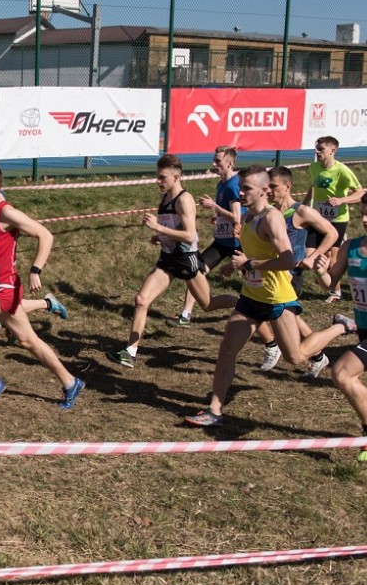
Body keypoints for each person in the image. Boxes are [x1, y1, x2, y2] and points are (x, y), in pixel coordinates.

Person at [184, 165, 356, 428]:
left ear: (264, 190)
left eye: (246, 189)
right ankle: (214, 411)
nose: (240, 192)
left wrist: (251, 263)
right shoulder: (249, 217)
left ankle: (339, 327)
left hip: (278, 297)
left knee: (296, 357)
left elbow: (287, 259)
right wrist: (235, 264)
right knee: (227, 350)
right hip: (252, 296)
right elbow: (253, 251)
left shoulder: (271, 217)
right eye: (240, 187)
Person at [0, 157, 85, 411]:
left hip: (4, 290)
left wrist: (36, 269)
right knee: (28, 341)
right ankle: (70, 381)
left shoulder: (6, 213)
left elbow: (45, 235)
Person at [106, 154, 236, 369]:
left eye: (162, 177)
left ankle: (244, 303)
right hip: (167, 259)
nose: (158, 181)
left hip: (186, 261)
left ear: (176, 177)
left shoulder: (184, 200)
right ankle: (130, 352)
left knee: (208, 304)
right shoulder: (165, 197)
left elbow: (189, 235)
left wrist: (158, 228)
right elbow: (174, 230)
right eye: (157, 177)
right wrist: (161, 237)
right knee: (141, 300)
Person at [254, 165, 337, 375]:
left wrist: (313, 256)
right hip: (270, 274)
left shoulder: (301, 212)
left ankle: (282, 349)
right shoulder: (268, 212)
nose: (269, 191)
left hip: (290, 275)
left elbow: (332, 233)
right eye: (267, 187)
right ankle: (318, 356)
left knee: (274, 315)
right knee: (289, 318)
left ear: (288, 186)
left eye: (274, 186)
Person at [170, 146, 243, 328]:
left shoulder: (234, 184)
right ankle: (186, 315)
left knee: (256, 281)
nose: (213, 164)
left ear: (230, 163)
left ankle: (253, 306)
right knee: (196, 271)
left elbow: (236, 217)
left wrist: (214, 207)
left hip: (239, 242)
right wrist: (217, 218)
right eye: (214, 160)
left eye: (217, 161)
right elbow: (227, 215)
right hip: (221, 242)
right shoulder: (221, 184)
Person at [317, 205, 367, 462]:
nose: (366, 219)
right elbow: (330, 284)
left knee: (342, 373)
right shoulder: (352, 247)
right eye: (364, 214)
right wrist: (322, 271)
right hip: (363, 328)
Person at [302, 136, 364, 302]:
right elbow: (312, 187)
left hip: (338, 219)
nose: (317, 152)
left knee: (333, 259)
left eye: (321, 149)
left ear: (333, 151)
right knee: (310, 253)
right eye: (317, 148)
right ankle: (323, 275)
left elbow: (360, 192)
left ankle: (335, 292)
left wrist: (341, 200)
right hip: (317, 217)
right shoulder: (313, 167)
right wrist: (303, 206)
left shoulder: (342, 170)